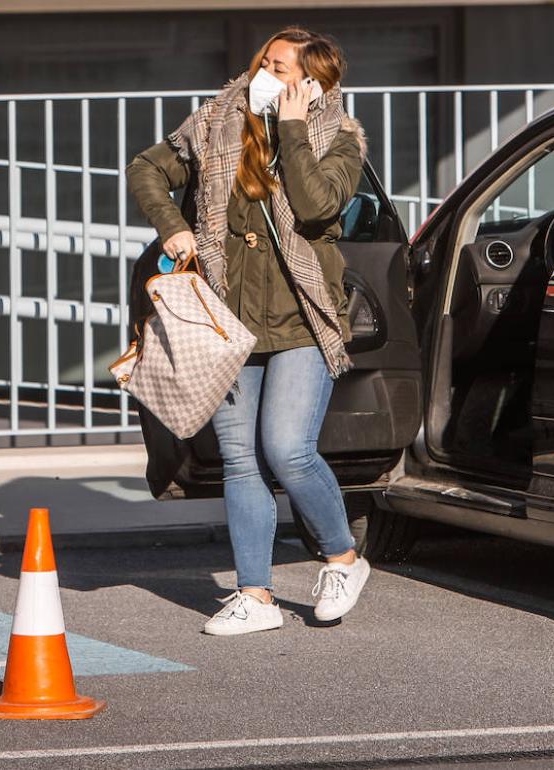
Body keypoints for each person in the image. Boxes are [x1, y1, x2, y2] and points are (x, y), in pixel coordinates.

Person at [127, 26, 371, 636]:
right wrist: (171, 227)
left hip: (302, 319)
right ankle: (255, 596)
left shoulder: (339, 138)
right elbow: (146, 169)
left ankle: (342, 558)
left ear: (314, 81)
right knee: (240, 459)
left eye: (281, 67)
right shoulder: (215, 121)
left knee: (287, 450)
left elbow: (317, 209)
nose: (265, 72)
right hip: (228, 320)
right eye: (265, 60)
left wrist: (289, 128)